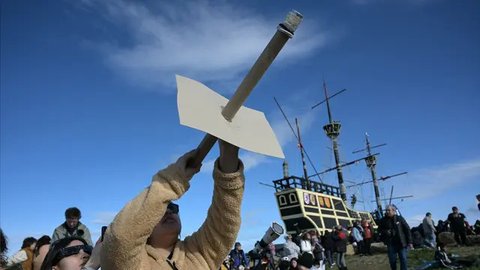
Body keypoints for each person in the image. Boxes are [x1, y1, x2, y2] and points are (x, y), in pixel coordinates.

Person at [101, 140, 245, 270]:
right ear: (146, 220)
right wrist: (175, 177)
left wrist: (229, 155)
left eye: (173, 208)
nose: (169, 212)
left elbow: (224, 222)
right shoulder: (130, 262)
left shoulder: (198, 253)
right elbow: (122, 237)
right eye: (162, 209)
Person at [379, 205, 413, 270]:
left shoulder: (399, 218)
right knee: (392, 261)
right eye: (386, 210)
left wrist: (410, 242)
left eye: (389, 210)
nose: (387, 211)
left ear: (394, 211)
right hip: (391, 244)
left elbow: (407, 229)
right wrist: (385, 232)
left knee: (403, 259)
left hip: (401, 243)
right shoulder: (383, 220)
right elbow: (379, 230)